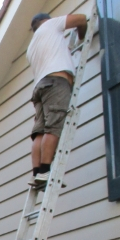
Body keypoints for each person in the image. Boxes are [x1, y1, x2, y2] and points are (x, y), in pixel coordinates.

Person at [27, 12, 88, 183]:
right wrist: (82, 37)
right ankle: (45, 170)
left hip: (40, 87)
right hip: (55, 82)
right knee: (54, 127)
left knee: (39, 132)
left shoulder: (32, 46)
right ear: (46, 21)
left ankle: (37, 172)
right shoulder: (50, 25)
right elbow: (81, 19)